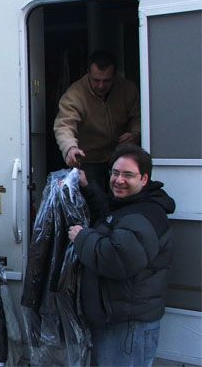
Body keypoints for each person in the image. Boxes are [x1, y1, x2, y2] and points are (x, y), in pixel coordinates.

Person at [68, 144, 175, 366]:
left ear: (144, 179)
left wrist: (82, 237)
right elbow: (110, 217)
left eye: (128, 175)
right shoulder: (128, 206)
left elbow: (116, 260)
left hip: (127, 328)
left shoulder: (146, 214)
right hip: (117, 322)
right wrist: (87, 186)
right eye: (115, 173)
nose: (119, 180)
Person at [54, 50, 141, 190]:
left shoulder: (128, 89)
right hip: (89, 159)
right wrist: (70, 147)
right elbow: (64, 125)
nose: (101, 86)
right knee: (92, 200)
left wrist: (136, 133)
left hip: (120, 157)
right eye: (96, 80)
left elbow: (139, 116)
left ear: (115, 76)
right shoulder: (75, 94)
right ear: (88, 73)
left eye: (106, 80)